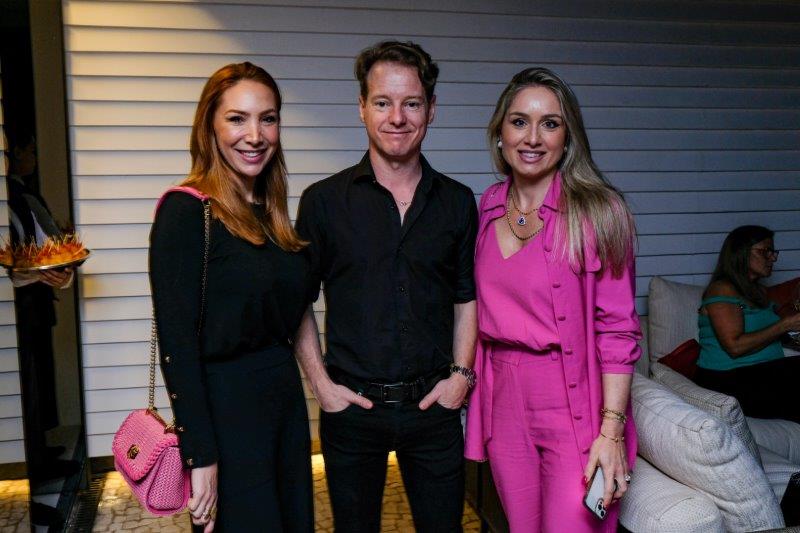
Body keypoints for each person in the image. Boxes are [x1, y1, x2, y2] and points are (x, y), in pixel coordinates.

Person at [294, 41, 478, 532]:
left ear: (431, 109)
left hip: (434, 407)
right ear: (362, 107)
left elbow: (466, 297)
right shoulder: (322, 202)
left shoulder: (458, 202)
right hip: (352, 409)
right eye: (382, 102)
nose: (397, 117)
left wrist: (461, 377)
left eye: (411, 103)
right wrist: (322, 387)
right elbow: (298, 304)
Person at [464, 67, 641, 532]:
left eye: (550, 124)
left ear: (568, 138)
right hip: (503, 397)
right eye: (519, 121)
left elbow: (618, 329)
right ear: (500, 132)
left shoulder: (600, 211)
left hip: (571, 399)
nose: (533, 138)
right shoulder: (488, 204)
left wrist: (611, 431)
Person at [149, 62, 314, 532]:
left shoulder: (270, 213)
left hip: (284, 407)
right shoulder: (186, 211)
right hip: (226, 415)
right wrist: (200, 454)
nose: (255, 136)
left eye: (268, 118)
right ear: (210, 127)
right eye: (237, 119)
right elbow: (177, 344)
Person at [694, 225, 800, 423]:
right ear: (740, 253)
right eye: (765, 251)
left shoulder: (758, 292)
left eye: (773, 252)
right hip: (728, 378)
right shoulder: (721, 289)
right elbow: (735, 346)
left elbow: (769, 334)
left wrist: (791, 331)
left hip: (761, 371)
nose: (773, 258)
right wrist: (784, 325)